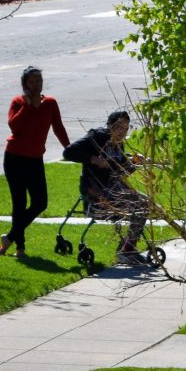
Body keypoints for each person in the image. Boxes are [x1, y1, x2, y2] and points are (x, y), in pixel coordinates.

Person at [0, 67, 69, 260]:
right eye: (32, 81)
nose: (36, 84)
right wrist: (28, 106)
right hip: (15, 158)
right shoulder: (18, 102)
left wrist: (69, 148)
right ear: (25, 84)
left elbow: (58, 128)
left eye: (39, 80)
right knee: (19, 203)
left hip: (35, 159)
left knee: (40, 203)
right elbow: (14, 127)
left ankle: (8, 238)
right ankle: (20, 248)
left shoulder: (50, 103)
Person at [70, 108, 149, 262]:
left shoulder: (118, 145)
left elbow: (120, 173)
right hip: (98, 193)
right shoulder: (97, 137)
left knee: (144, 203)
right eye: (119, 127)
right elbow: (69, 152)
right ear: (109, 126)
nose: (122, 132)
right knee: (140, 204)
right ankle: (127, 250)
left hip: (113, 189)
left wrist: (133, 162)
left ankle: (127, 247)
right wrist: (94, 159)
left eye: (126, 129)